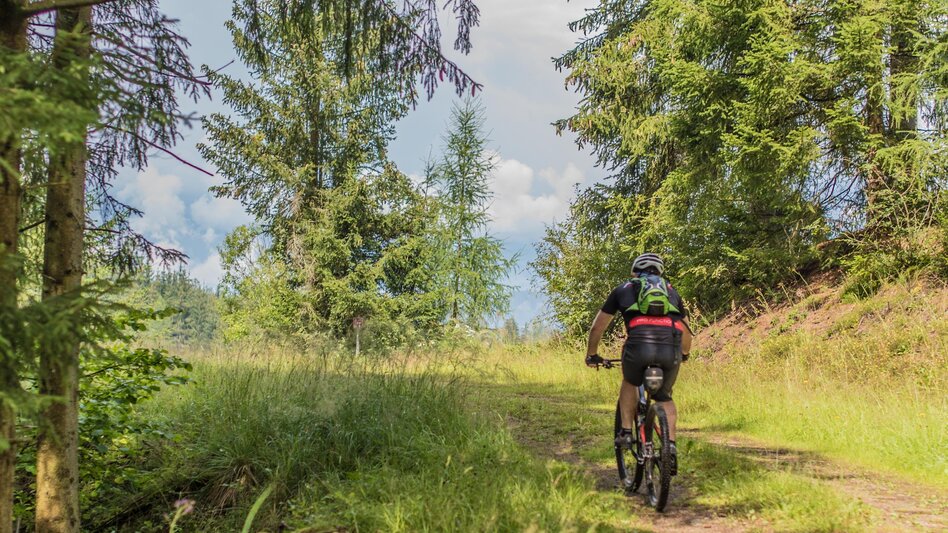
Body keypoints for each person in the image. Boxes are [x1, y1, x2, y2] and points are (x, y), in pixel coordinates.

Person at [584, 252, 693, 473]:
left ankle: (625, 432)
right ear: (659, 271)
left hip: (638, 347)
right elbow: (687, 331)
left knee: (630, 382)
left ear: (635, 270)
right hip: (669, 348)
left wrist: (592, 354)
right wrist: (683, 354)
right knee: (664, 397)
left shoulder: (624, 289)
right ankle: (670, 447)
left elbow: (597, 327)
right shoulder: (671, 292)